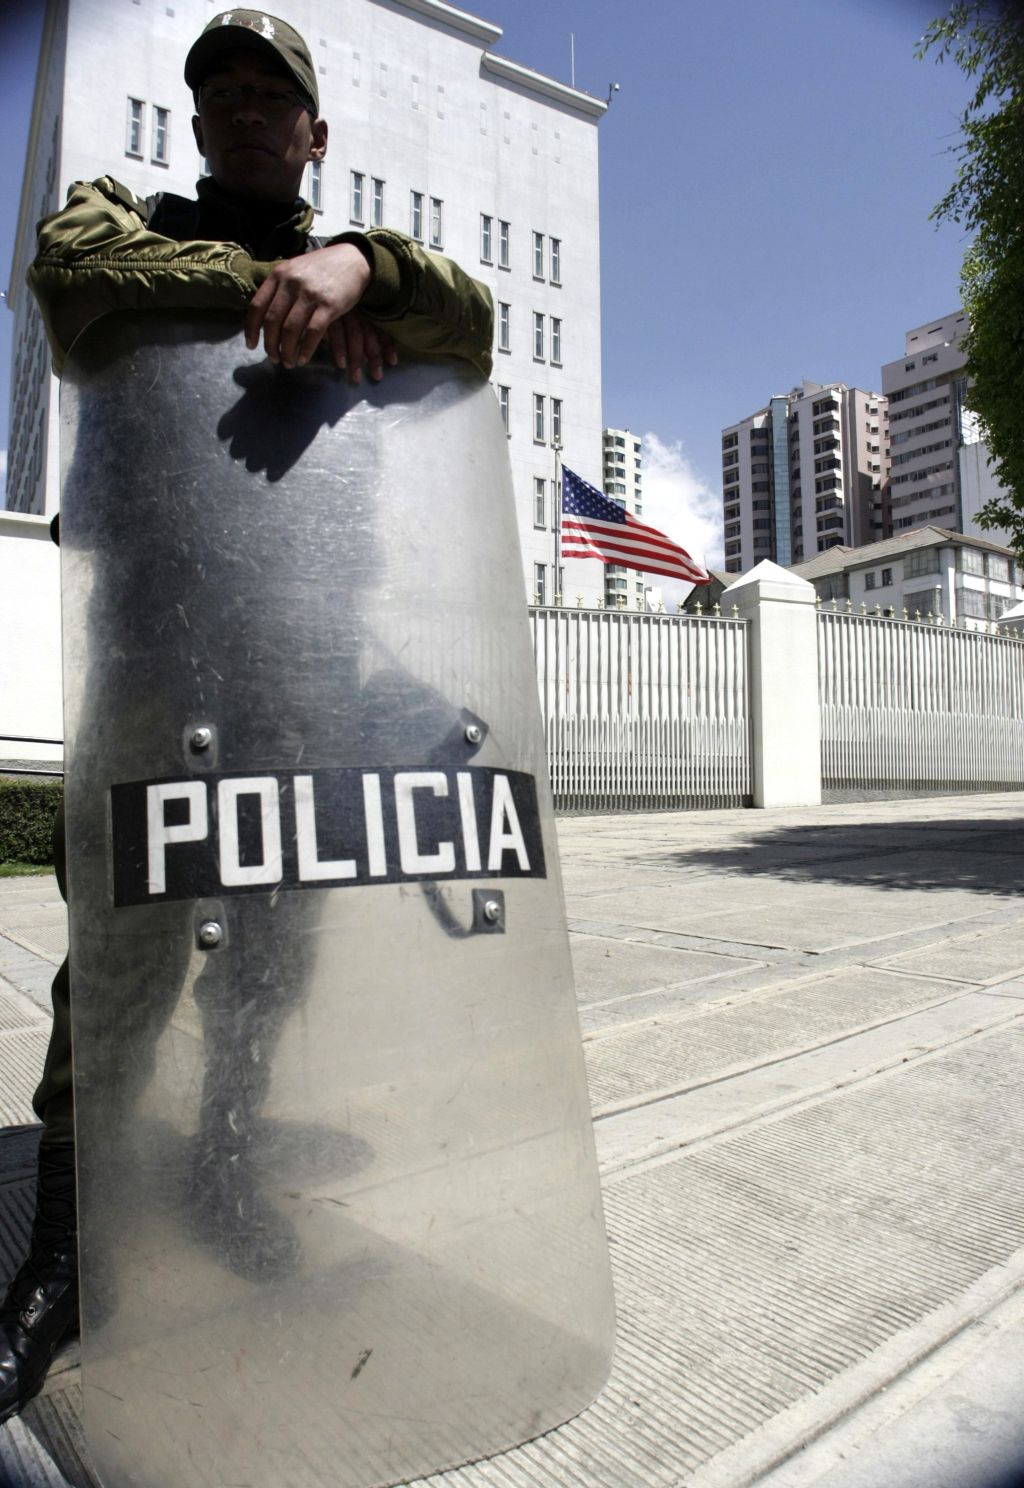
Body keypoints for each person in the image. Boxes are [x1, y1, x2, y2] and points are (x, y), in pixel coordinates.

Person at [0, 8, 493, 1426]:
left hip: (297, 655)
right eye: (218, 89)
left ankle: (222, 1160)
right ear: (199, 118)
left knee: (273, 938)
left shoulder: (363, 270)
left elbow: (472, 325)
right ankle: (64, 1251)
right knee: (125, 946)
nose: (243, 108)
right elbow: (68, 272)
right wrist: (283, 287)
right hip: (155, 643)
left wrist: (362, 265)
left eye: (271, 93)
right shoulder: (133, 219)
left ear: (315, 131)